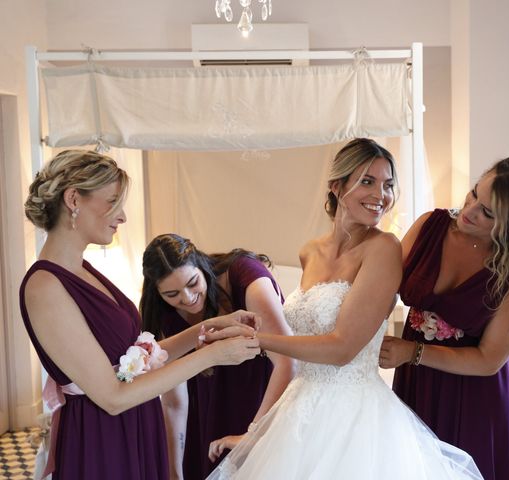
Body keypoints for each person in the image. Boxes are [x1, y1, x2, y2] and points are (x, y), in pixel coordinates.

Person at [205, 138, 483, 480]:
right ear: (337, 186)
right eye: (367, 181)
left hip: (355, 417)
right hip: (299, 408)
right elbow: (303, 345)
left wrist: (259, 339)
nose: (381, 194)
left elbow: (342, 348)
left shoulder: (383, 249)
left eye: (388, 185)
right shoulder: (309, 251)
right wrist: (257, 431)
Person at [20, 150, 261, 480]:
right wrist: (212, 356)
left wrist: (206, 328)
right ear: (73, 199)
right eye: (113, 202)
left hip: (136, 424)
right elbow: (112, 396)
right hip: (103, 438)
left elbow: (136, 359)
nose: (122, 217)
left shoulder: (84, 270)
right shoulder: (44, 287)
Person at [379, 156, 509, 480]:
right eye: (475, 193)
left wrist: (412, 352)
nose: (469, 210)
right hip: (418, 383)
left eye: (488, 213)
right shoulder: (428, 227)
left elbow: (488, 360)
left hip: (474, 396)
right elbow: (383, 289)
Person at [140, 234, 295, 479]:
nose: (187, 298)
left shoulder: (244, 274)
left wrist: (252, 435)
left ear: (201, 266)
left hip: (263, 401)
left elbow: (288, 360)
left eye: (193, 283)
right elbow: (173, 402)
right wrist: (174, 471)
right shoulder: (164, 314)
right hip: (207, 414)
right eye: (172, 294)